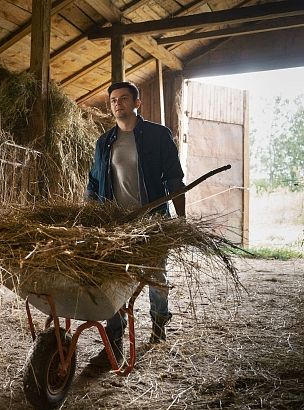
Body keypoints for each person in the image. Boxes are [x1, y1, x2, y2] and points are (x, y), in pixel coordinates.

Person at [85, 81, 186, 369]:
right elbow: (93, 184)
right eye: (114, 100)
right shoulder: (104, 142)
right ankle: (114, 340)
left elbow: (175, 179)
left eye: (125, 98)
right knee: (114, 279)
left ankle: (158, 328)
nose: (118, 103)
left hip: (152, 221)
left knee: (156, 276)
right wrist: (90, 218)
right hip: (116, 225)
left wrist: (180, 220)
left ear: (137, 103)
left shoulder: (158, 136)